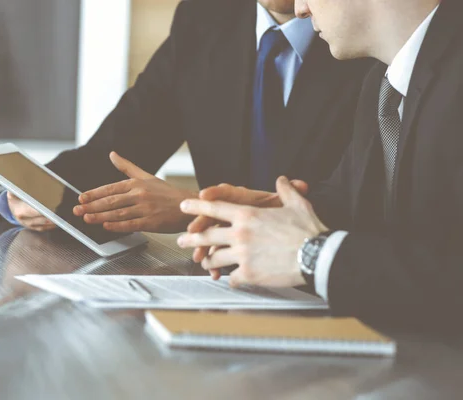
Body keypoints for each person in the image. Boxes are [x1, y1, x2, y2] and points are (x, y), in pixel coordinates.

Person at [177, 0, 463, 321]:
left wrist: (314, 255)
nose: (300, 9)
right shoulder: (380, 82)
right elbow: (349, 201)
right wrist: (267, 221)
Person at [0, 0, 371, 233]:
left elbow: (366, 204)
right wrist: (34, 194)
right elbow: (116, 153)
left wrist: (191, 207)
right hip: (217, 286)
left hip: (333, 289)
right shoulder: (204, 17)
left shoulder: (371, 39)